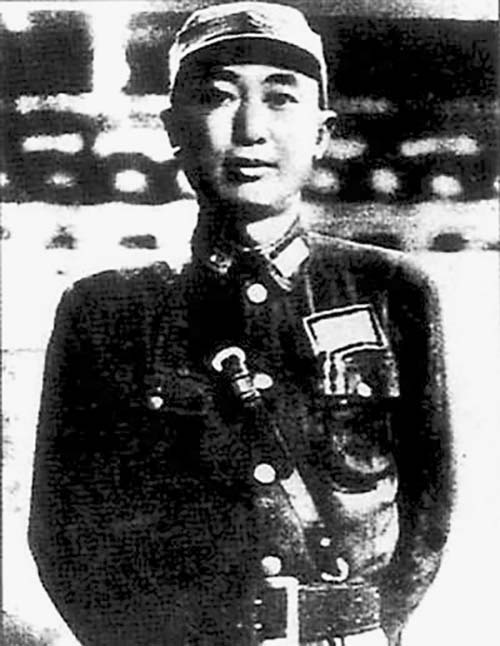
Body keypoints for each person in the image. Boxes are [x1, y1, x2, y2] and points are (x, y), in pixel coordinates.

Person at [29, 3, 454, 645]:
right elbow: (61, 531)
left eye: (281, 99)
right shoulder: (106, 311)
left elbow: (429, 507)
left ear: (321, 132)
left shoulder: (393, 291)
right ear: (173, 128)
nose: (251, 129)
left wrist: (372, 628)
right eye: (217, 97)